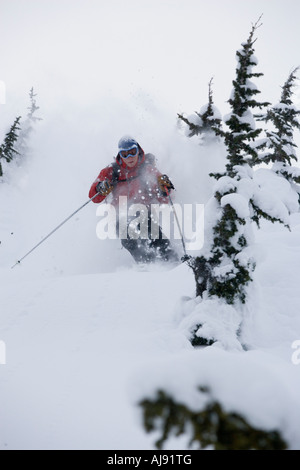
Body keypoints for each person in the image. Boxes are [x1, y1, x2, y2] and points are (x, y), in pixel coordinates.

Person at [89, 136, 179, 264]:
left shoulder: (147, 169)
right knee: (128, 237)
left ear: (138, 150)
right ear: (120, 155)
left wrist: (164, 189)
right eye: (125, 154)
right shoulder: (112, 171)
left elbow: (166, 199)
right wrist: (100, 187)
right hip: (121, 214)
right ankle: (146, 265)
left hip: (144, 211)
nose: (129, 157)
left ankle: (172, 261)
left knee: (151, 233)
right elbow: (93, 196)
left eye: (132, 152)